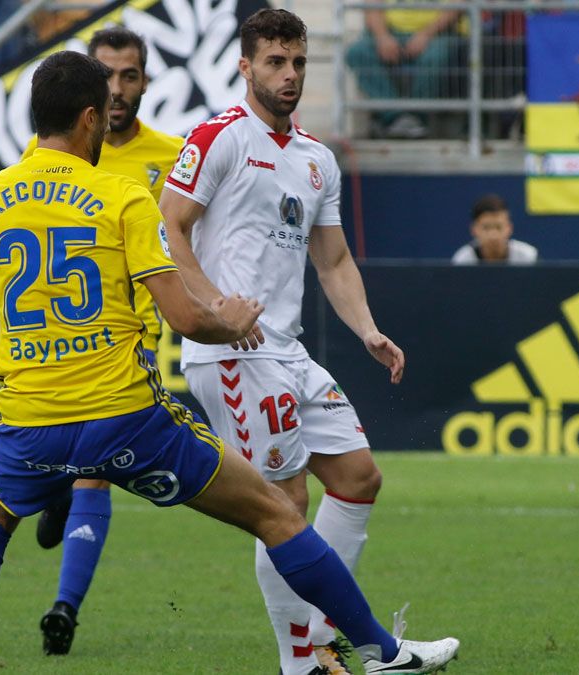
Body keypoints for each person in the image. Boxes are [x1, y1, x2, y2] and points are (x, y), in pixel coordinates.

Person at [0, 50, 459, 675]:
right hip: (126, 417)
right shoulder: (121, 196)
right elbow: (184, 318)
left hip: (31, 421)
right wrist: (228, 319)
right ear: (90, 120)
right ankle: (382, 653)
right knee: (276, 512)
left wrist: (7, 281)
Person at [159, 9, 412, 675]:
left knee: (359, 477)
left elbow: (332, 261)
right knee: (284, 504)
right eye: (275, 61)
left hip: (289, 350)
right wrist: (212, 305)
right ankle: (301, 662)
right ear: (245, 66)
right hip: (233, 352)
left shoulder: (315, 158)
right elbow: (170, 226)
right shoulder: (217, 138)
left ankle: (324, 634)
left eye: (298, 61)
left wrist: (367, 328)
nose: (290, 74)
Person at [18, 25, 186, 656]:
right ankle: (57, 491)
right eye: (107, 76)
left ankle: (64, 607)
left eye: (131, 76)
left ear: (145, 82)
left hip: (127, 343)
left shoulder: (171, 159)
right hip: (57, 344)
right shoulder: (53, 159)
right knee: (76, 470)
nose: (118, 90)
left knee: (94, 475)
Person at [345, 1, 466, 138]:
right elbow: (372, 6)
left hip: (437, 33)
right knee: (358, 53)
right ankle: (396, 117)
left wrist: (426, 34)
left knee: (437, 56)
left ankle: (416, 117)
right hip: (390, 31)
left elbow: (457, 6)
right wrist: (382, 36)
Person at [451, 194, 537, 265]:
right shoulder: (462, 260)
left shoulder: (528, 257)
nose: (493, 235)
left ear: (509, 228)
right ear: (474, 229)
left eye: (498, 227)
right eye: (486, 227)